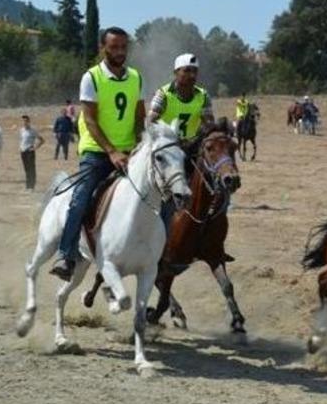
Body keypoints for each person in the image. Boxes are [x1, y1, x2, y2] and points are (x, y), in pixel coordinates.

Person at [50, 27, 145, 281]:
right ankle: (66, 253)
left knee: (158, 192)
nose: (119, 52)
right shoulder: (91, 77)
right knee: (81, 197)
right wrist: (111, 151)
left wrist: (140, 142)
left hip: (128, 152)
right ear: (102, 48)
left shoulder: (136, 77)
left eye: (123, 47)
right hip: (97, 151)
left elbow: (139, 116)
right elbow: (90, 120)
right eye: (114, 47)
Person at [147, 53, 214, 270]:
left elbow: (208, 122)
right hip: (167, 152)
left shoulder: (203, 95)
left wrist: (196, 139)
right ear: (176, 72)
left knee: (212, 186)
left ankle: (210, 239)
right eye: (186, 70)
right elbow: (151, 120)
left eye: (194, 71)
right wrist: (169, 140)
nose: (191, 75)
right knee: (165, 194)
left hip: (192, 149)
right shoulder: (163, 94)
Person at [19, 115, 45, 190]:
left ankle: (32, 186)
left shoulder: (33, 131)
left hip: (30, 152)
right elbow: (22, 140)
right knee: (26, 169)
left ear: (29, 122)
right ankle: (27, 186)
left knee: (31, 169)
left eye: (26, 121)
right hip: (23, 152)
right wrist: (20, 148)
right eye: (23, 121)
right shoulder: (21, 130)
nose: (24, 122)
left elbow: (42, 140)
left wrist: (35, 148)